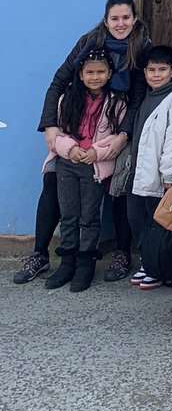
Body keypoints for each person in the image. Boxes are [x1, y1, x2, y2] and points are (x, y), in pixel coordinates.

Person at [14, 0, 151, 286]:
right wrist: (50, 127)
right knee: (52, 181)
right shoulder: (89, 43)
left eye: (126, 17)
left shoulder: (141, 48)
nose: (121, 23)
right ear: (106, 20)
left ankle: (121, 253)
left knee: (121, 186)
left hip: (119, 126)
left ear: (134, 19)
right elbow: (58, 82)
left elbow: (138, 97)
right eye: (115, 18)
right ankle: (40, 254)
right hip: (77, 133)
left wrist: (122, 136)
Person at [43, 49, 127, 293]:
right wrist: (69, 149)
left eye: (101, 72)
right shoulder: (67, 99)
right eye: (89, 72)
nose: (95, 77)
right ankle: (67, 262)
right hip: (67, 163)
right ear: (80, 74)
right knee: (68, 214)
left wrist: (96, 153)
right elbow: (56, 132)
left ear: (109, 74)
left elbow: (118, 138)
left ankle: (85, 263)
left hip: (94, 167)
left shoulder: (117, 103)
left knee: (89, 217)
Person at [126, 44, 172, 289]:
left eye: (162, 69)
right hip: (140, 172)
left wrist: (171, 176)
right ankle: (149, 264)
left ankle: (161, 269)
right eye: (151, 70)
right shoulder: (148, 97)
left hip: (161, 176)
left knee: (160, 225)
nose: (156, 75)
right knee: (139, 220)